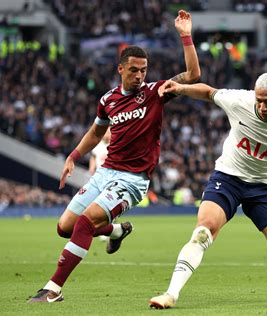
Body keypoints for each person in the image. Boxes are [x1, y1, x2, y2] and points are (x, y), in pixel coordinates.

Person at [27, 10, 201, 303]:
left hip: (132, 181)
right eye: (134, 70)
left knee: (83, 224)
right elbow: (96, 133)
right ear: (121, 69)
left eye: (144, 70)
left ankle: (53, 289)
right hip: (105, 173)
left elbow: (194, 75)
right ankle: (116, 231)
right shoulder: (108, 100)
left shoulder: (156, 92)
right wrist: (73, 156)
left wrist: (185, 35)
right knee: (64, 227)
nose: (140, 75)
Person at [149, 72, 267, 309]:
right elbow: (209, 92)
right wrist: (180, 88)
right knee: (203, 232)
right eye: (259, 100)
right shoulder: (240, 100)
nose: (262, 107)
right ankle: (170, 294)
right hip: (227, 179)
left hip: (263, 187)